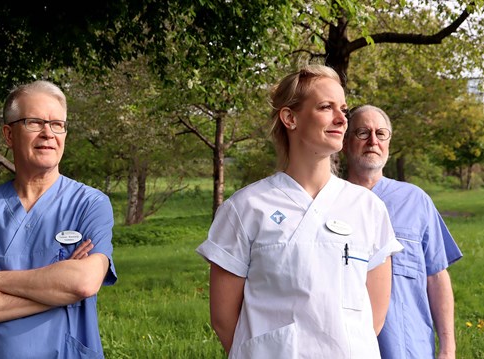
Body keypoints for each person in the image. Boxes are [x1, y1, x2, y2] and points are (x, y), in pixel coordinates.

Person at [196, 65, 403, 359]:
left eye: (343, 108)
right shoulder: (246, 208)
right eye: (326, 107)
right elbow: (224, 320)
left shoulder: (368, 208)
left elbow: (374, 318)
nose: (342, 119)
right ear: (290, 118)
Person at [0, 80, 117, 358]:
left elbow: (83, 282)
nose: (48, 133)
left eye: (57, 124)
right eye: (34, 122)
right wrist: (57, 292)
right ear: (9, 134)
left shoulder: (89, 204)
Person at [343, 105, 462, 359]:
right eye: (362, 133)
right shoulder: (330, 203)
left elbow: (437, 277)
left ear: (389, 142)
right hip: (345, 348)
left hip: (409, 348)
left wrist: (448, 348)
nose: (373, 141)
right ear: (344, 142)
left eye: (381, 134)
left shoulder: (415, 201)